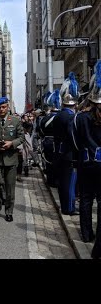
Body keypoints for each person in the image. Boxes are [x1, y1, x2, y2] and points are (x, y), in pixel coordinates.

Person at [72, 61, 101, 258]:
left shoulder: (81, 118)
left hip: (86, 164)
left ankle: (86, 234)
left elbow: (75, 141)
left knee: (86, 200)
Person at [53, 72, 79, 215]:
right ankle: (69, 208)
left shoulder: (58, 116)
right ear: (74, 104)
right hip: (69, 154)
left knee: (63, 182)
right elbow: (73, 136)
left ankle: (65, 206)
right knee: (69, 183)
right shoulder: (71, 117)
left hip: (59, 152)